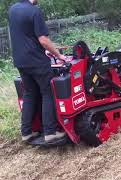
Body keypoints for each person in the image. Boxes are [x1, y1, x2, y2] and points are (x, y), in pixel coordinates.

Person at [9, 0, 66, 143]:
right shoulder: (34, 11)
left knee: (29, 93)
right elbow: (43, 40)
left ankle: (26, 132)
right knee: (48, 92)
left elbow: (25, 36)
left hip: (20, 60)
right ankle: (50, 132)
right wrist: (59, 55)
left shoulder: (12, 10)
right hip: (36, 61)